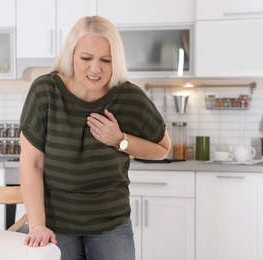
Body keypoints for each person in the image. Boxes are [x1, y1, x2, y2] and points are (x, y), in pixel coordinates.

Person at [19, 15, 171, 260]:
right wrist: (37, 225)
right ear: (71, 55)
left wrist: (120, 140)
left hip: (111, 226)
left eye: (106, 60)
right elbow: (31, 163)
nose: (95, 68)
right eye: (86, 58)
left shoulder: (128, 97)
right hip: (55, 226)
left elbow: (163, 149)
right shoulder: (45, 92)